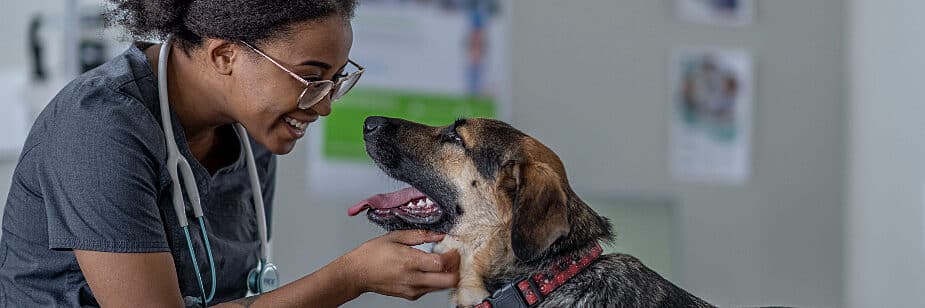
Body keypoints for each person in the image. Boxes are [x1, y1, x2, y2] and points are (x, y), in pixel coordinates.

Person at [0, 0, 460, 307]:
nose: (323, 105)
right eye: (310, 77)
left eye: (336, 80)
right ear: (224, 56)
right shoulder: (99, 128)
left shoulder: (249, 133)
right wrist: (350, 277)